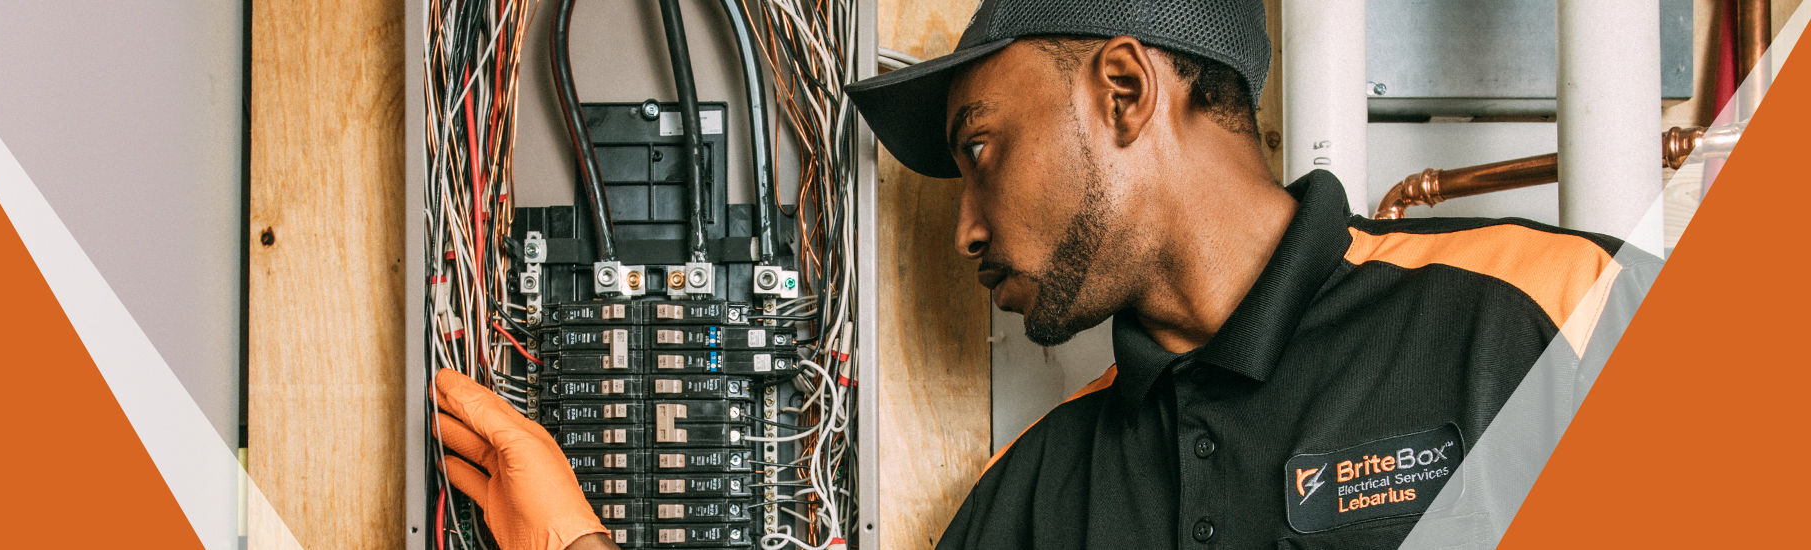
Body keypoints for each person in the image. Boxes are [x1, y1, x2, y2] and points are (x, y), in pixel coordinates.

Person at [434, 0, 1659, 548]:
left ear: (1123, 92)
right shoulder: (1035, 500)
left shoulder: (1544, 319)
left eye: (979, 151)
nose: (966, 229)